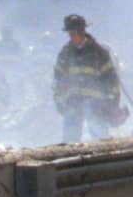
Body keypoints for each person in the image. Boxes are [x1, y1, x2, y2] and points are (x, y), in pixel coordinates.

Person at [53, 14, 127, 144]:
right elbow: (58, 80)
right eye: (69, 34)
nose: (71, 37)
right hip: (73, 102)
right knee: (70, 139)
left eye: (73, 33)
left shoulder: (99, 53)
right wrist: (59, 101)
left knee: (100, 137)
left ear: (82, 32)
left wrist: (113, 103)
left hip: (96, 104)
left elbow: (112, 80)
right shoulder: (65, 53)